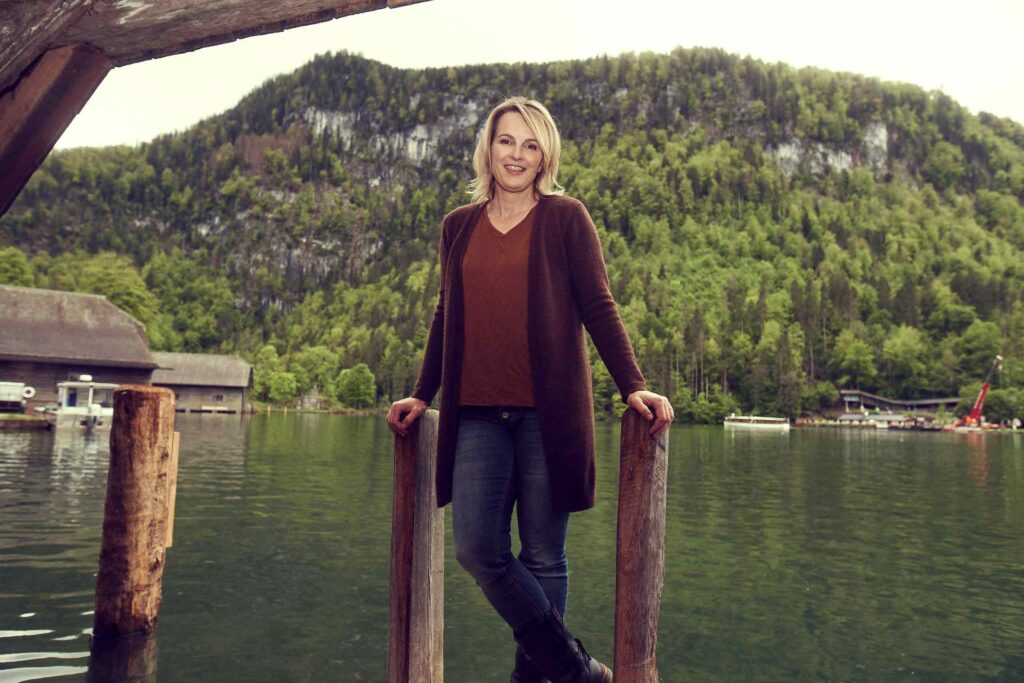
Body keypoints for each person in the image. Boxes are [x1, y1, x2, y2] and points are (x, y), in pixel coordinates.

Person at [387, 96, 673, 683]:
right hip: (476, 415)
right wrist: (423, 393)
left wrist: (633, 386)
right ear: (488, 149)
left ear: (545, 157)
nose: (516, 155)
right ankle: (575, 670)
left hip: (550, 415)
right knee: (476, 548)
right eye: (506, 141)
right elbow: (446, 313)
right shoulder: (458, 226)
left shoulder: (566, 218)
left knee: (543, 554)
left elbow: (598, 304)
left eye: (530, 144)